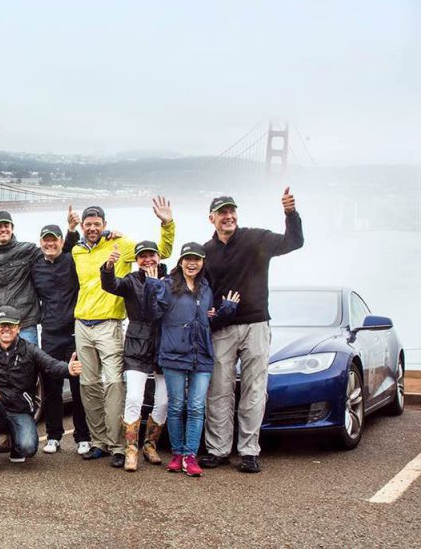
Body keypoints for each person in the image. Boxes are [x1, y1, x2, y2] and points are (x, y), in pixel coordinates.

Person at [200, 189, 304, 473]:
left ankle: (249, 451)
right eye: (222, 212)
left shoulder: (255, 238)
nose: (229, 216)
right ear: (212, 218)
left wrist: (290, 213)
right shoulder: (206, 252)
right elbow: (193, 285)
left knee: (254, 389)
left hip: (256, 323)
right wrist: (205, 312)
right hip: (222, 328)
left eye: (232, 211)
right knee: (219, 390)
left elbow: (294, 241)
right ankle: (218, 450)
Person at [71, 197, 175, 468]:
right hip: (82, 323)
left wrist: (167, 223)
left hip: (110, 323)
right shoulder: (77, 251)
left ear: (105, 224)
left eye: (97, 224)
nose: (92, 228)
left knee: (115, 385)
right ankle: (98, 442)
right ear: (83, 226)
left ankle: (119, 446)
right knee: (88, 386)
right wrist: (69, 232)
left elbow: (160, 251)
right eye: (88, 224)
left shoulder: (121, 244)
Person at [144, 243, 239, 477]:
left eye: (196, 259)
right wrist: (153, 287)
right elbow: (153, 314)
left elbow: (208, 322)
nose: (192, 263)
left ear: (202, 262)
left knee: (196, 407)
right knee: (176, 407)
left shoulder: (206, 288)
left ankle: (190, 455)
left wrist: (226, 311)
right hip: (174, 354)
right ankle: (177, 453)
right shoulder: (167, 284)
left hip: (202, 355)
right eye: (187, 258)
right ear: (180, 261)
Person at [0, 306, 83, 475]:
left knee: (28, 449)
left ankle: (16, 444)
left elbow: (51, 365)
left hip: (20, 410)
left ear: (19, 328)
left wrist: (68, 369)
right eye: (2, 325)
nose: (6, 329)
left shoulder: (30, 349)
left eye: (11, 325)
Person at [101, 240, 169, 471]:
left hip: (162, 344)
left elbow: (163, 309)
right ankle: (132, 449)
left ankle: (150, 445)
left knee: (163, 400)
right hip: (136, 343)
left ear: (159, 257)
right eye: (142, 256)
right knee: (134, 398)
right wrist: (108, 268)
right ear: (137, 260)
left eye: (151, 255)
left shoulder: (169, 281)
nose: (147, 259)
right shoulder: (131, 280)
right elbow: (111, 285)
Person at [30, 222, 91, 456]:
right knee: (52, 387)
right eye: (46, 239)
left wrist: (73, 229)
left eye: (54, 239)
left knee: (78, 386)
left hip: (74, 332)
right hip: (49, 333)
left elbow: (81, 246)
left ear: (61, 241)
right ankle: (54, 436)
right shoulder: (35, 267)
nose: (50, 243)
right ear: (41, 243)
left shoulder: (71, 260)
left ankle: (82, 436)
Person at [0, 211, 43, 344]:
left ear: (12, 227)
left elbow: (54, 253)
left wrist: (71, 232)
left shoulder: (28, 250)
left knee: (28, 363)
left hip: (24, 323)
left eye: (6, 225)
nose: (3, 229)